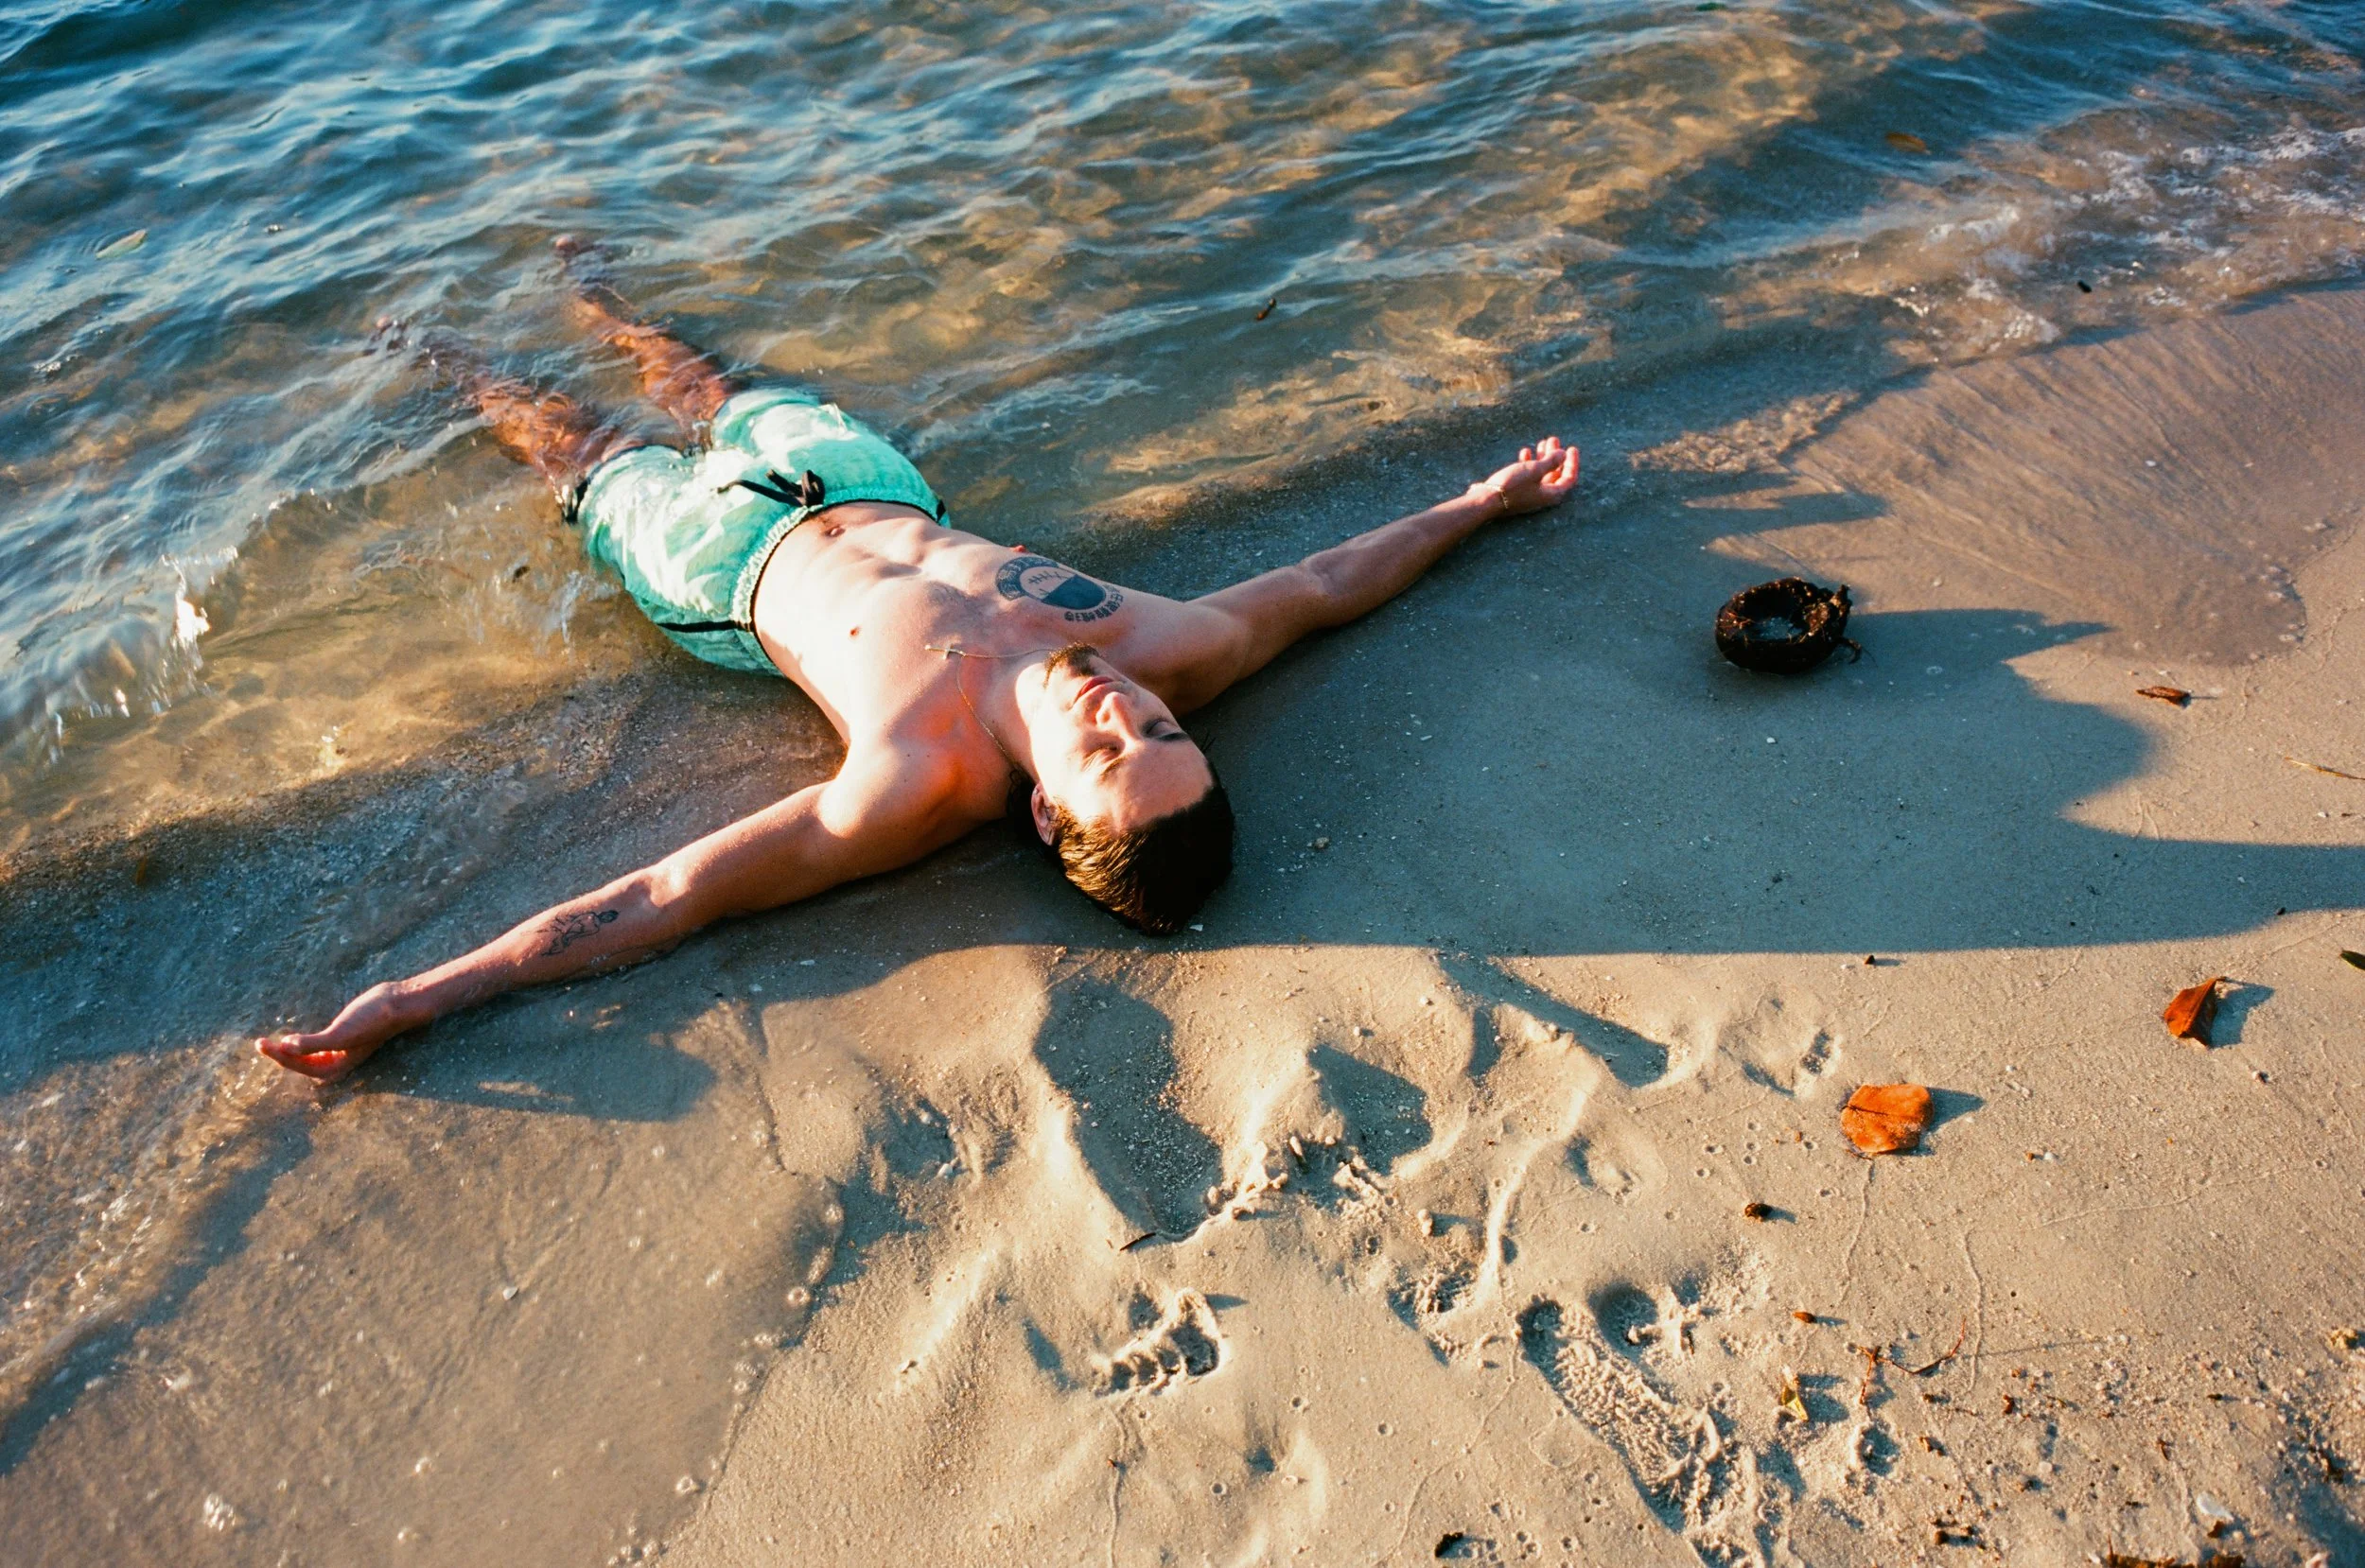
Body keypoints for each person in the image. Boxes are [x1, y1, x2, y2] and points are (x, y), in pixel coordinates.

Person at [258, 256, 1580, 1082]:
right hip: (864, 481)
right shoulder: (1158, 647)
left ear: (1052, 810)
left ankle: (420, 344)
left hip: (720, 567)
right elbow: (1320, 586)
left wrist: (417, 997)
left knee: (558, 436)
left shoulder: (913, 780)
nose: (1123, 710)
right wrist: (1481, 504)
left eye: (1110, 754)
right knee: (692, 370)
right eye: (1163, 728)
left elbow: (666, 894)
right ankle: (584, 272)